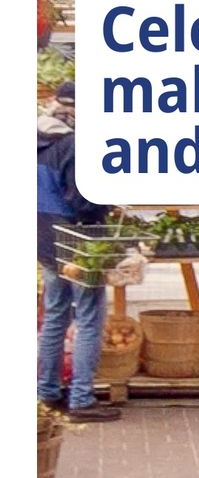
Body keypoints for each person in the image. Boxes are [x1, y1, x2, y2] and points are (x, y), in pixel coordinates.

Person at [37, 81, 121, 421]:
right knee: (89, 315)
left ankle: (46, 394)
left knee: (56, 313)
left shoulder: (38, 134)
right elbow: (84, 199)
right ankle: (82, 399)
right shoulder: (76, 142)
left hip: (43, 235)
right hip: (76, 236)